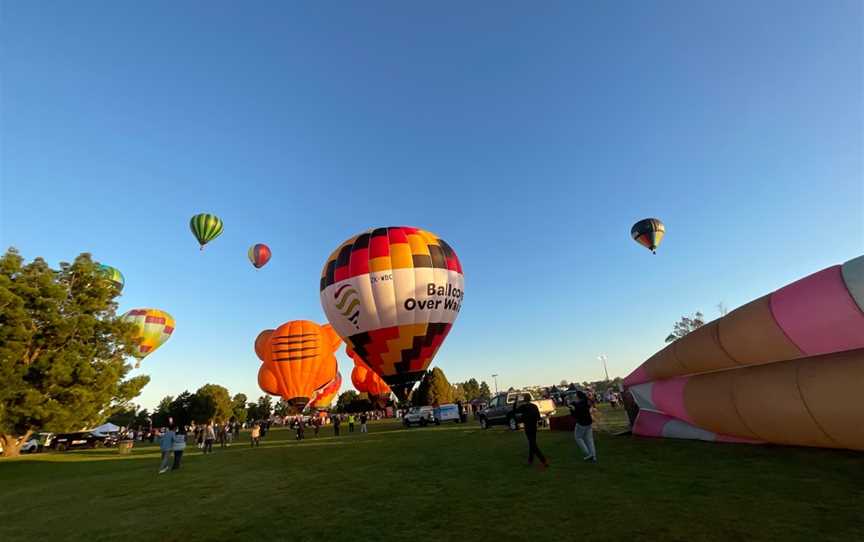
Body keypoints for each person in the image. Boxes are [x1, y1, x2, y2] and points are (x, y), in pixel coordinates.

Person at [512, 396, 548, 469]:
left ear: (524, 400)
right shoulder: (534, 406)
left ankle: (543, 460)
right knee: (532, 443)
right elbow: (538, 417)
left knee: (533, 444)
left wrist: (515, 402)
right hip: (534, 427)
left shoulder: (524, 407)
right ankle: (530, 460)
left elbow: (515, 411)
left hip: (528, 427)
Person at [569, 390, 597, 463]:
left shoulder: (578, 405)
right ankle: (593, 457)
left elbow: (575, 415)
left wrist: (571, 410)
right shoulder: (586, 402)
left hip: (581, 423)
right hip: (589, 422)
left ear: (578, 396)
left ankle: (588, 453)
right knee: (589, 440)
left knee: (578, 438)